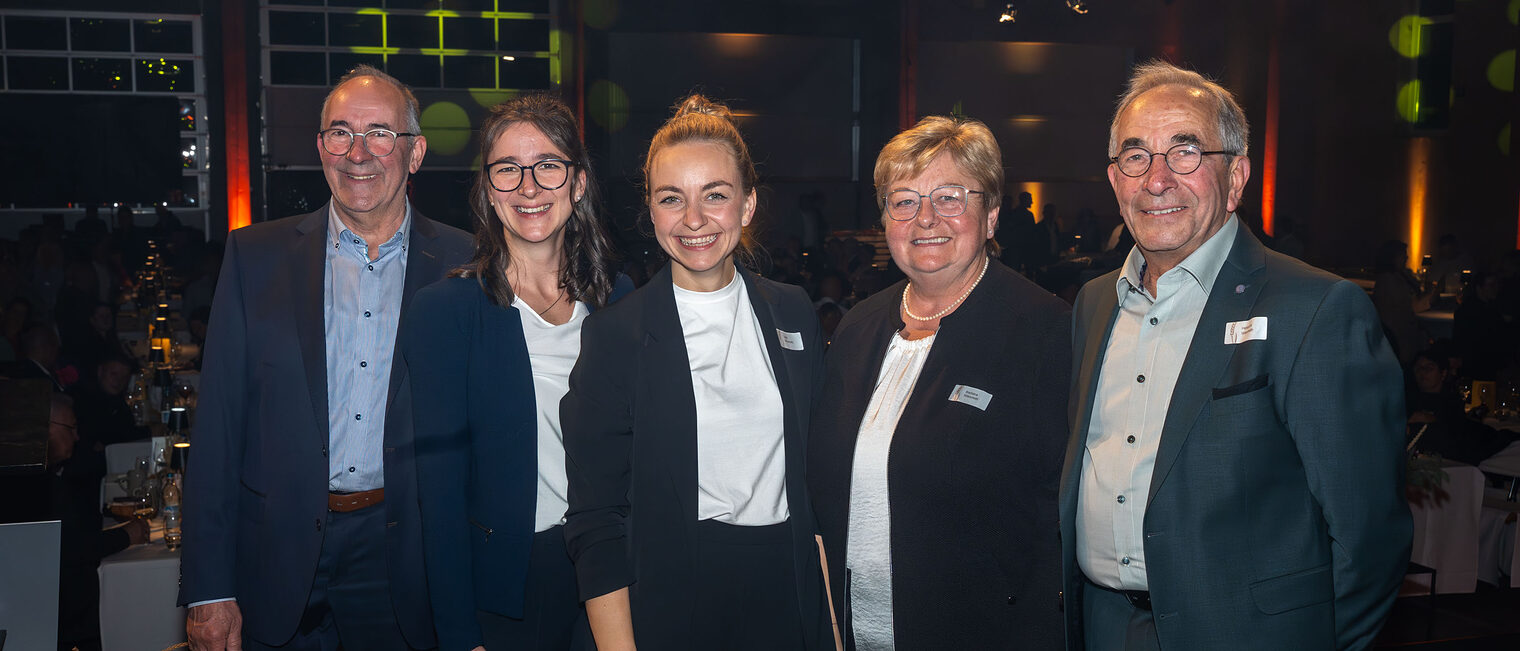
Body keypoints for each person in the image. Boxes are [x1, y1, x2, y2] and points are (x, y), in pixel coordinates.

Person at [1060, 61, 1410, 650]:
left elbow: (1367, 535)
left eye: (1186, 151)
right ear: (1115, 179)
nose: (1157, 179)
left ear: (1238, 177)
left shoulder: (1316, 309)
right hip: (1103, 627)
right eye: (1135, 156)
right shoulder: (1094, 303)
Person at [178, 65, 473, 651]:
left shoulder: (467, 265)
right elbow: (217, 430)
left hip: (407, 563)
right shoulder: (253, 257)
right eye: (341, 132)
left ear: (414, 154)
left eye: (381, 133)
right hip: (274, 556)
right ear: (320, 149)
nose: (358, 152)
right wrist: (208, 586)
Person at [562, 94, 831, 651]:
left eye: (715, 195)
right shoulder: (616, 335)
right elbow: (597, 521)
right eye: (671, 199)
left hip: (788, 594)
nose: (693, 220)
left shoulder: (794, 310)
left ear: (748, 205)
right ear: (651, 212)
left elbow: (818, 487)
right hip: (675, 603)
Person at [807, 115, 1069, 650]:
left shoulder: (1046, 332)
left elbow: (1056, 527)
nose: (925, 218)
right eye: (903, 201)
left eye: (950, 197)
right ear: (885, 222)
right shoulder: (857, 328)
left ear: (992, 215)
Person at [403, 94, 628, 651]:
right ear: (488, 191)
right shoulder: (447, 311)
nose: (528, 187)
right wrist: (459, 635)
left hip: (608, 574)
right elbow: (440, 492)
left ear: (577, 183)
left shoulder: (619, 302)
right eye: (508, 170)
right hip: (503, 586)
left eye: (548, 166)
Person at [0, 394, 149, 650]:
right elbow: (72, 547)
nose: (77, 437)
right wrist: (127, 535)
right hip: (61, 623)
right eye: (71, 428)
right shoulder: (31, 486)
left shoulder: (44, 477)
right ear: (45, 428)